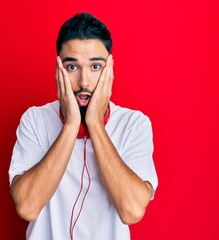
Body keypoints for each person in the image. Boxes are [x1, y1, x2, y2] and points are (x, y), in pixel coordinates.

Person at [9, 12, 158, 240]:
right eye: (72, 67)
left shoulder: (134, 125)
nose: (84, 82)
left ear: (110, 69)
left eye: (95, 67)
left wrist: (95, 124)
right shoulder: (34, 120)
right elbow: (27, 206)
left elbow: (132, 210)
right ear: (58, 69)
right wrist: (70, 125)